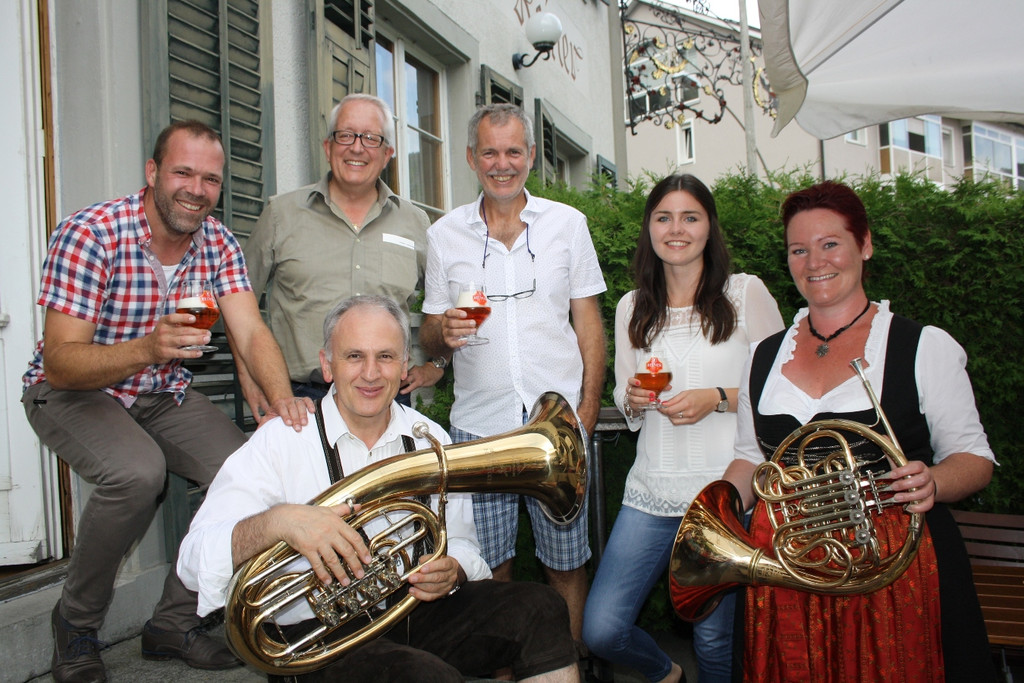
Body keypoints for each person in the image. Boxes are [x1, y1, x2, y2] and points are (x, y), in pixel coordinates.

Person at [21, 120, 311, 683]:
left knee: (245, 471)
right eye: (183, 172)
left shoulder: (219, 242)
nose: (196, 190)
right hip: (73, 391)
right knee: (137, 473)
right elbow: (60, 360)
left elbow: (250, 332)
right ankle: (76, 625)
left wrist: (282, 404)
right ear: (153, 173)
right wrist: (150, 346)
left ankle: (173, 624)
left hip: (159, 392)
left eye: (210, 179)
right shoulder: (92, 233)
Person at [177, 295, 580, 682]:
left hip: (408, 612)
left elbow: (463, 545)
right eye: (354, 356)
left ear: (405, 366)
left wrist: (453, 570)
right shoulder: (282, 439)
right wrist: (278, 522)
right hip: (311, 637)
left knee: (541, 608)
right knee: (423, 677)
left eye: (385, 357)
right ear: (327, 365)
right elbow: (193, 560)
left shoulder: (430, 439)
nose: (370, 374)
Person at [721, 180, 996, 682]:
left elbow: (973, 459)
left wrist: (933, 480)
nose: (814, 262)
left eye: (830, 244)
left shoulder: (922, 345)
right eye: (798, 250)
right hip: (788, 564)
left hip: (894, 561)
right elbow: (749, 456)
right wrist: (715, 511)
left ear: (864, 245)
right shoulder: (763, 355)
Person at [581, 174, 784, 683]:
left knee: (715, 639)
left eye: (690, 217)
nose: (676, 229)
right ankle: (666, 672)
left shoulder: (744, 293)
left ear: (709, 226)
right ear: (649, 228)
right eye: (663, 217)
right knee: (601, 628)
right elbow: (627, 406)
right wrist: (632, 399)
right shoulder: (632, 306)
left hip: (725, 492)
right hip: (652, 490)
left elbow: (781, 394)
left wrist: (715, 399)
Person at [419, 103, 607, 643]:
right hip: (480, 427)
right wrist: (443, 334)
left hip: (558, 427)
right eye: (490, 152)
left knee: (565, 564)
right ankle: (503, 672)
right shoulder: (444, 234)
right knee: (489, 566)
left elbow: (589, 325)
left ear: (530, 157)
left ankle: (566, 667)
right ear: (472, 158)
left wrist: (587, 414)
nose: (502, 164)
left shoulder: (568, 226)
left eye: (513, 152)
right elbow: (430, 331)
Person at [239, 93, 443, 409]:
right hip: (301, 401)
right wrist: (252, 383)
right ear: (328, 147)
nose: (357, 147)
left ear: (388, 153)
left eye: (371, 138)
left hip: (389, 399)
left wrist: (437, 365)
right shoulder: (281, 215)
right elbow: (238, 306)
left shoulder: (415, 222)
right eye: (345, 135)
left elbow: (442, 303)